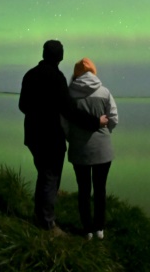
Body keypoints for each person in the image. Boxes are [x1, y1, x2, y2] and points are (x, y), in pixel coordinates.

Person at [18, 40, 108, 235]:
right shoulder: (57, 78)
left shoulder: (30, 75)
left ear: (43, 53)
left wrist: (38, 111)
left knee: (43, 175)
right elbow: (70, 111)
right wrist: (95, 122)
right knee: (50, 177)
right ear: (60, 56)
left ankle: (40, 216)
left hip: (33, 135)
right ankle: (48, 225)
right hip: (50, 137)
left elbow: (23, 106)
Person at [62, 57, 118, 240]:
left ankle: (87, 230)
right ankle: (99, 229)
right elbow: (114, 119)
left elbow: (64, 124)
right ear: (93, 72)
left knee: (84, 190)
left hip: (79, 149)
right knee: (100, 189)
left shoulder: (69, 93)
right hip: (103, 149)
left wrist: (72, 138)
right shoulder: (104, 92)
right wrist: (105, 133)